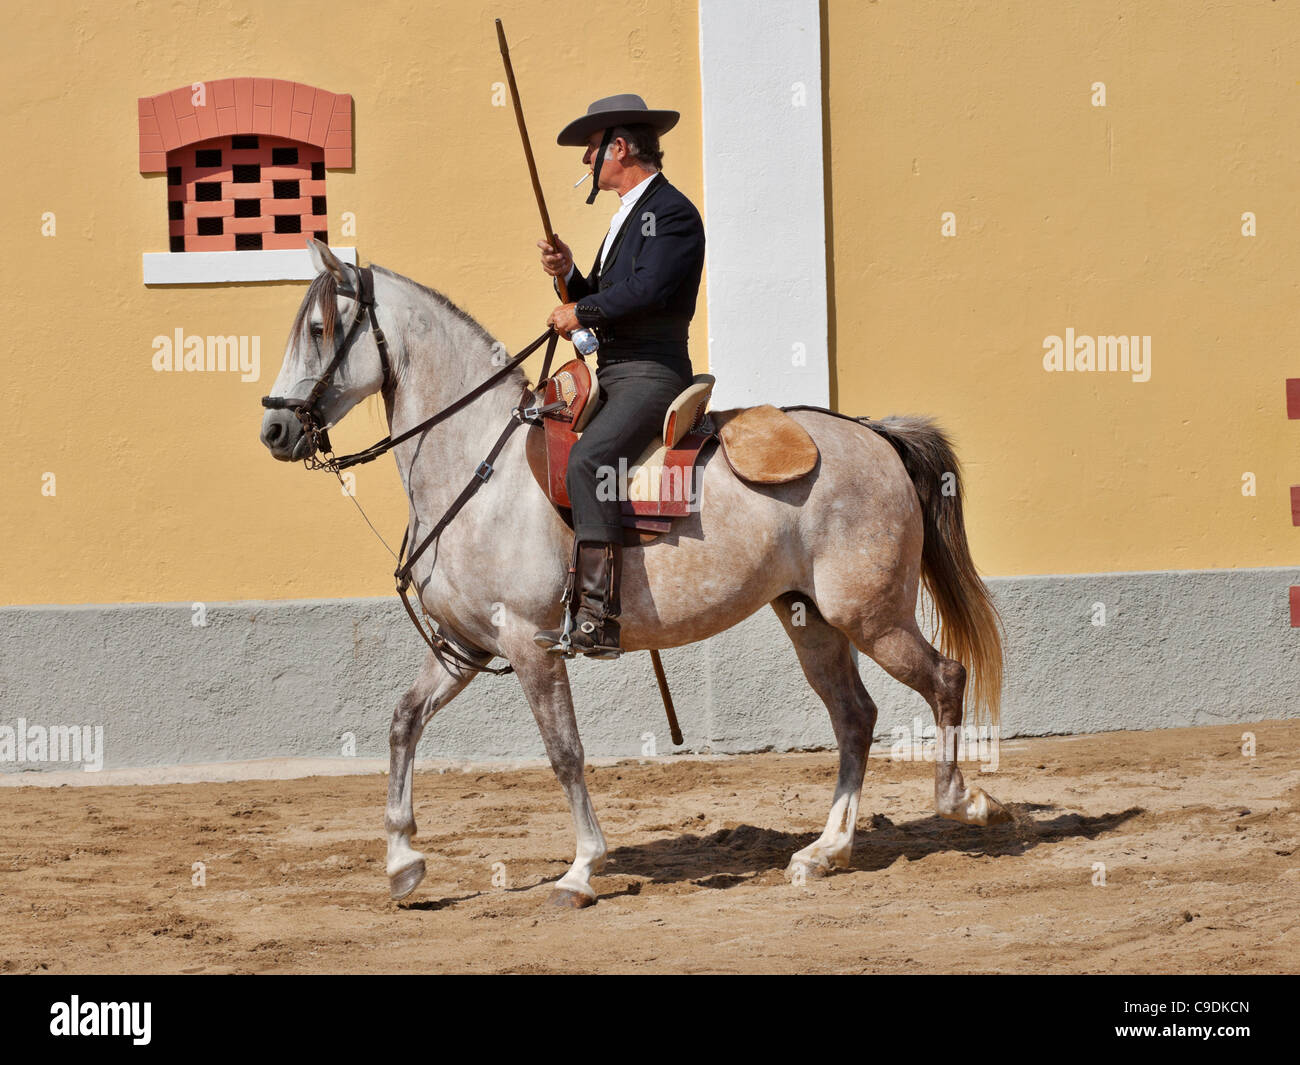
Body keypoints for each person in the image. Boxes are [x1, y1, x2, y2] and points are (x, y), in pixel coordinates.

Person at [532, 94, 706, 659]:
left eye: (592, 149)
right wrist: (572, 277)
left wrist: (579, 311)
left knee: (590, 461)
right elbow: (614, 298)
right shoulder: (630, 214)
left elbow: (650, 291)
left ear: (621, 147)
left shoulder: (671, 212)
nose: (587, 160)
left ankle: (600, 620)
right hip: (614, 372)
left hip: (651, 375)